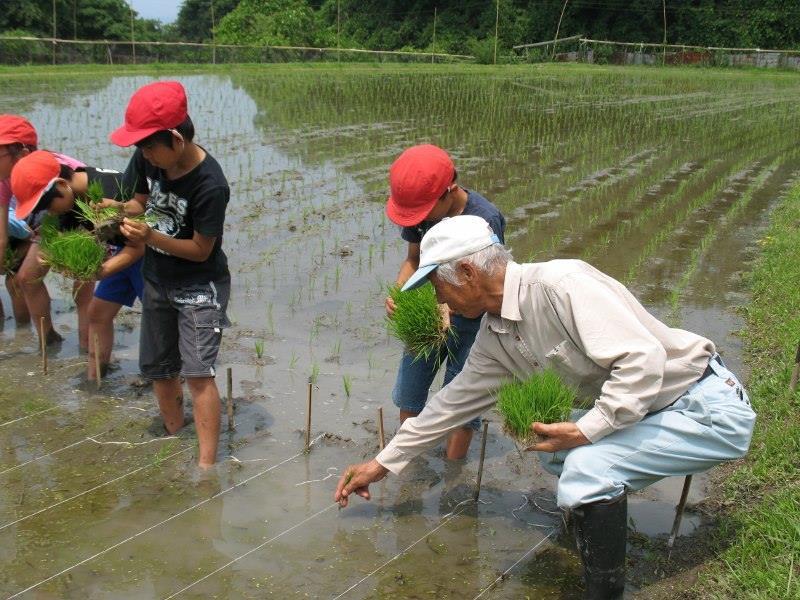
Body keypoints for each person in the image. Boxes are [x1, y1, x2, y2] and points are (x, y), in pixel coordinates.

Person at [335, 215, 756, 598]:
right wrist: (383, 462)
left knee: (585, 469)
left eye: (436, 285)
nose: (437, 297)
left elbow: (642, 361)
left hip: (703, 408)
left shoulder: (563, 286)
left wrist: (588, 430)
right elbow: (449, 406)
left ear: (466, 272)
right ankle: (591, 538)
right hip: (651, 411)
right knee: (559, 462)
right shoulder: (496, 335)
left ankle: (603, 593)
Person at [107, 80, 231, 469]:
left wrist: (151, 236)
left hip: (200, 285)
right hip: (157, 278)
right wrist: (114, 211)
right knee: (160, 368)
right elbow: (139, 200)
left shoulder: (211, 184)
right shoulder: (148, 157)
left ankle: (206, 468)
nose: (143, 155)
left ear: (175, 139)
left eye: (148, 146)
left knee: (197, 375)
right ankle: (176, 438)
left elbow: (200, 249)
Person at [384, 144, 505, 460]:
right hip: (427, 315)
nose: (418, 220)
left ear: (448, 192)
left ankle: (454, 472)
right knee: (410, 393)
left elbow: (488, 285)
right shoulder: (418, 210)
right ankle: (406, 462)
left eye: (422, 213)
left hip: (472, 324)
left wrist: (449, 307)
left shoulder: (485, 218)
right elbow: (413, 259)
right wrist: (399, 294)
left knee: (462, 401)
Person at [10, 150, 144, 381]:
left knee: (161, 317)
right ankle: (95, 379)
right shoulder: (71, 200)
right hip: (123, 251)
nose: (48, 212)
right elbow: (70, 238)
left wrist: (101, 271)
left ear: (61, 184)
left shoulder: (110, 192)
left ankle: (173, 373)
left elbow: (140, 247)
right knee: (98, 313)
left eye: (46, 203)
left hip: (152, 255)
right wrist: (57, 257)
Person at [0, 114, 84, 328]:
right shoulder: (4, 179)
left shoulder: (55, 168)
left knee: (83, 286)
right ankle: (40, 338)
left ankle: (89, 348)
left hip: (80, 215)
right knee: (22, 279)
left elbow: (82, 203)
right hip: (42, 221)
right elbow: (1, 236)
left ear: (22, 153)